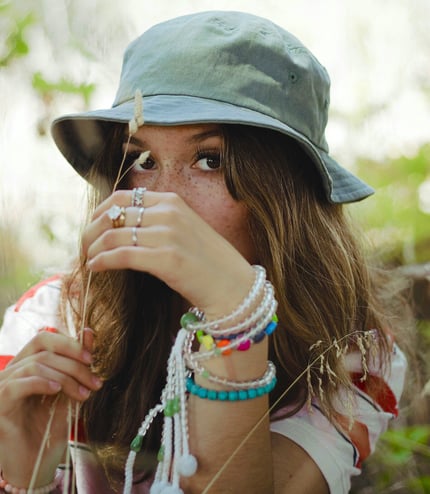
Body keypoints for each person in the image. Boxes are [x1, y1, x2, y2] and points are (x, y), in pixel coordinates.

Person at [0, 10, 408, 494]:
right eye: (142, 160)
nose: (161, 198)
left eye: (210, 160)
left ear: (284, 194)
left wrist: (237, 313)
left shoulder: (351, 353)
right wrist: (29, 478)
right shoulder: (54, 319)